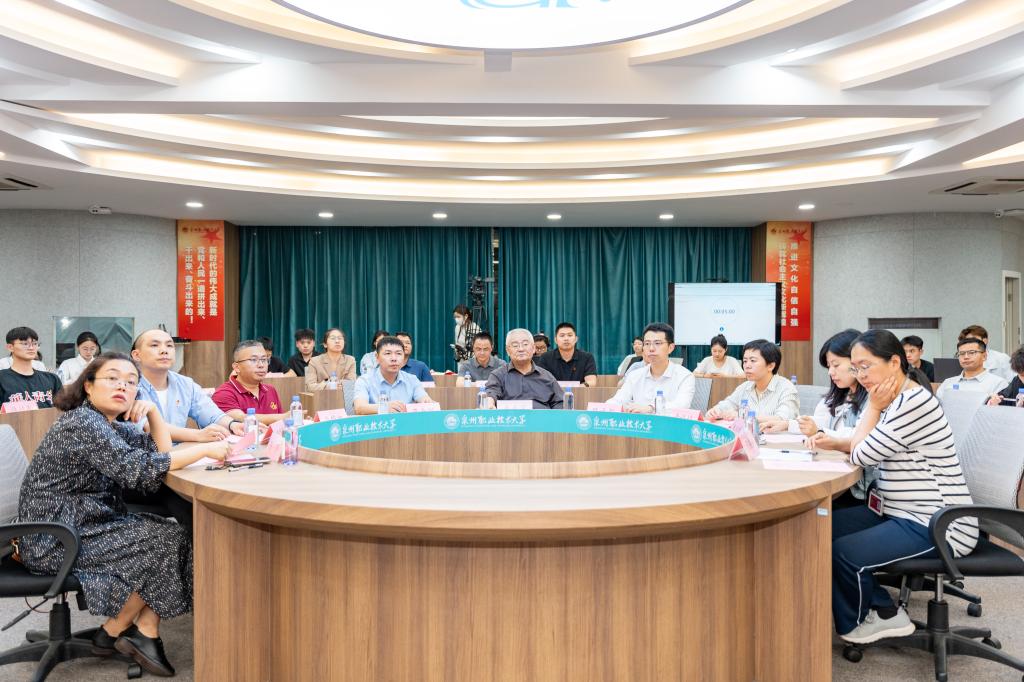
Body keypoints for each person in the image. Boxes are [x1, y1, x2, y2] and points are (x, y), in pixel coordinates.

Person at [17, 351, 230, 676]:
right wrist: (206, 449)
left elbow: (160, 453)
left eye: (131, 382)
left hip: (86, 524)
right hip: (54, 537)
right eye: (113, 378)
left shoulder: (107, 423)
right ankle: (121, 630)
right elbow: (138, 470)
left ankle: (133, 630)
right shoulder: (82, 423)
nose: (123, 386)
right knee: (166, 539)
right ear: (88, 385)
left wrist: (154, 413)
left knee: (173, 533)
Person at [833, 329, 977, 645]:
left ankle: (876, 616)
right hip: (899, 511)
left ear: (895, 362)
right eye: (855, 368)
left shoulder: (912, 402)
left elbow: (860, 454)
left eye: (866, 366)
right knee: (821, 528)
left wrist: (872, 407)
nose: (860, 375)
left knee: (843, 552)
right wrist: (874, 408)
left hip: (940, 523)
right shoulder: (894, 399)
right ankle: (879, 607)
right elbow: (860, 442)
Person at [766, 329, 873, 506]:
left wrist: (819, 431)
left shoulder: (873, 399)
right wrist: (787, 425)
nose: (831, 372)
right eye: (829, 366)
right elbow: (819, 421)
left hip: (856, 486)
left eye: (836, 365)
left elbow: (858, 436)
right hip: (836, 470)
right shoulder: (837, 395)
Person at [132, 329, 244, 443]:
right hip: (144, 452)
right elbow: (146, 427)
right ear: (136, 355)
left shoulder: (185, 384)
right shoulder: (129, 386)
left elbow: (212, 415)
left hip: (181, 450)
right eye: (154, 345)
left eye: (169, 345)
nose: (164, 351)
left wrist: (232, 424)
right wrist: (198, 435)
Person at [608, 323, 694, 412]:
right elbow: (617, 401)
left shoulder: (685, 376)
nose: (651, 348)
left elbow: (682, 405)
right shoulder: (635, 375)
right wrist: (603, 408)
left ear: (670, 348)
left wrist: (650, 408)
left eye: (657, 343)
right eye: (647, 343)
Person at [705, 339, 798, 422]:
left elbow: (783, 419)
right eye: (745, 361)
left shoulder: (786, 388)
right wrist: (715, 411)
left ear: (770, 366)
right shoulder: (745, 387)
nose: (747, 366)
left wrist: (742, 416)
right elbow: (728, 404)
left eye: (753, 361)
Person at [482, 329, 563, 409]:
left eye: (525, 344)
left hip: (541, 417)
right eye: (515, 345)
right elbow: (491, 393)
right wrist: (489, 402)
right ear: (507, 350)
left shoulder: (547, 376)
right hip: (512, 417)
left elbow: (560, 403)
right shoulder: (498, 375)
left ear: (533, 348)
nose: (521, 349)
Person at [352, 336, 436, 414]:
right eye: (388, 353)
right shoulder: (365, 380)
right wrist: (384, 408)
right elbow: (359, 408)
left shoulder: (412, 380)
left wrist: (428, 403)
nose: (394, 358)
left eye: (398, 354)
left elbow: (424, 399)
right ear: (377, 357)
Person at [211, 340, 287, 424]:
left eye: (264, 359)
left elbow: (281, 424)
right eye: (254, 360)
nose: (261, 365)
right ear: (236, 367)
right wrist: (285, 416)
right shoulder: (223, 393)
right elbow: (241, 418)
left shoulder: (270, 390)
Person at [0, 326, 63, 408]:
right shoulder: (2, 378)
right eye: (25, 344)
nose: (31, 348)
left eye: (35, 343)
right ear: (10, 347)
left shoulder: (52, 379)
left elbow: (63, 409)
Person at [935, 337, 1008, 401]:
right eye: (962, 353)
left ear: (984, 356)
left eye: (972, 353)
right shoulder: (947, 383)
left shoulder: (998, 383)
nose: (966, 357)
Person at [535, 322, 598, 387]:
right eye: (562, 336)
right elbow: (540, 381)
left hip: (580, 392)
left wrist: (575, 388)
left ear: (576, 339)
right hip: (553, 393)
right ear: (556, 340)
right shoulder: (545, 357)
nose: (566, 339)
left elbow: (591, 382)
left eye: (570, 335)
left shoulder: (587, 357)